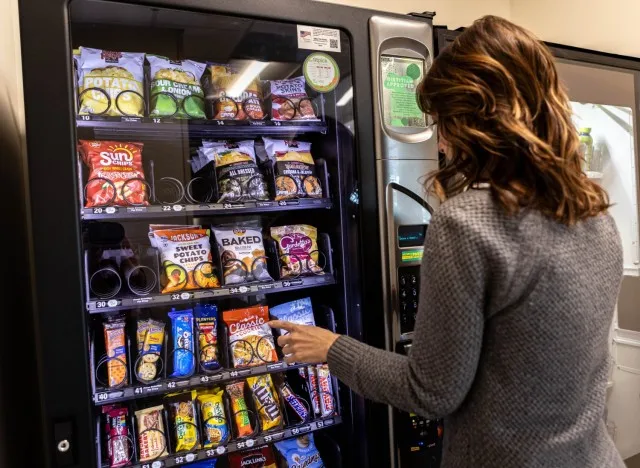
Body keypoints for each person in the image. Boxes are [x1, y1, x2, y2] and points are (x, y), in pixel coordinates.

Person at [269, 15, 625, 468]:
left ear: (474, 119)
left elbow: (430, 391)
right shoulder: (596, 213)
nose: (439, 144)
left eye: (442, 123)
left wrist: (333, 348)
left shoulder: (467, 222)